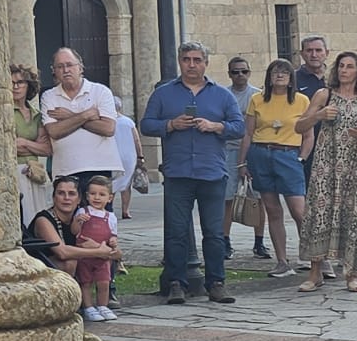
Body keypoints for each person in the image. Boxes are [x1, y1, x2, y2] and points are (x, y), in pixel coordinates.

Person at [140, 43, 244, 305]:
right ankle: (176, 283)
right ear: (180, 62)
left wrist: (216, 126)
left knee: (214, 232)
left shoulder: (221, 95)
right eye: (186, 59)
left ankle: (216, 283)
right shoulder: (165, 94)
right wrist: (170, 125)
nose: (191, 64)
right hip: (179, 172)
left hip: (212, 172)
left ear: (206, 63)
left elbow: (239, 127)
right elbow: (147, 124)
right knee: (176, 231)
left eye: (197, 59)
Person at [297, 51, 357, 294]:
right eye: (341, 66)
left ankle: (352, 274)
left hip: (354, 168)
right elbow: (299, 126)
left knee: (353, 216)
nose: (344, 70)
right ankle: (315, 273)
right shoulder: (323, 95)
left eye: (349, 67)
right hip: (326, 163)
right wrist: (318, 115)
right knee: (320, 214)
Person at [237, 59, 308, 279]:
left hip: (288, 154)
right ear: (268, 76)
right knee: (273, 210)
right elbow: (248, 133)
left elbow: (309, 133)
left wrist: (302, 158)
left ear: (291, 78)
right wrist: (242, 162)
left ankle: (315, 257)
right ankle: (282, 261)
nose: (279, 75)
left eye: (284, 72)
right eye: (275, 71)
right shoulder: (256, 99)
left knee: (299, 210)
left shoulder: (301, 100)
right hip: (261, 153)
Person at [38, 49, 120, 196]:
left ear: (80, 67)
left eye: (70, 65)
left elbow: (108, 128)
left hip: (99, 166)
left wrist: (70, 116)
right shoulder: (49, 96)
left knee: (98, 216)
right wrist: (87, 115)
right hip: (66, 169)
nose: (66, 70)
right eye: (60, 66)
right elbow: (55, 132)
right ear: (54, 71)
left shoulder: (101, 92)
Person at [222, 57, 268, 259]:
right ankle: (225, 240)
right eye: (235, 72)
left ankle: (259, 242)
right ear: (229, 74)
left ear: (249, 73)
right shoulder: (224, 95)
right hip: (230, 150)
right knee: (228, 197)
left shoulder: (258, 95)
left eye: (243, 71)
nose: (239, 75)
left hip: (254, 150)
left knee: (259, 198)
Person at [70, 178, 123, 323]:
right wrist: (77, 221)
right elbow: (75, 232)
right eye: (93, 194)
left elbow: (113, 235)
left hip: (103, 257)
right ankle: (88, 307)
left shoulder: (110, 217)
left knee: (104, 282)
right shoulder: (83, 211)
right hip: (85, 255)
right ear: (87, 196)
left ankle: (103, 306)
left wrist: (113, 241)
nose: (97, 198)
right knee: (85, 282)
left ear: (109, 198)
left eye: (101, 194)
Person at [10, 62, 53, 229]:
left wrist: (24, 142)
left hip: (35, 171)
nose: (15, 87)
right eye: (11, 83)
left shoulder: (36, 114)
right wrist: (34, 145)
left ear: (29, 85)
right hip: (14, 171)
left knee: (38, 217)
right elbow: (9, 147)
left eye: (20, 82)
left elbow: (47, 149)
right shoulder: (4, 111)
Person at [111, 88, 144, 224]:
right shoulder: (128, 122)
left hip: (113, 156)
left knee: (111, 184)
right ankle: (126, 210)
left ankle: (108, 208)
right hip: (129, 157)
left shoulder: (109, 122)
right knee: (126, 185)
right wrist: (140, 156)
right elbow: (136, 139)